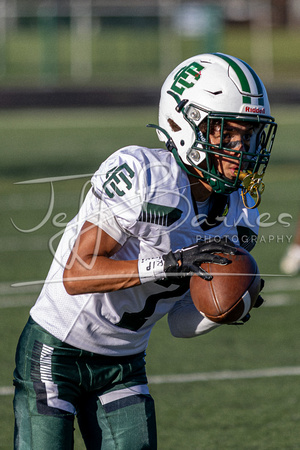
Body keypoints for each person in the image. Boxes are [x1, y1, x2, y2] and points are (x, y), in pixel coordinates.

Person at [13, 53, 277, 449]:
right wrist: (169, 264)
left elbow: (179, 323)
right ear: (184, 125)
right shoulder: (145, 175)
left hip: (125, 363)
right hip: (57, 350)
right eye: (227, 134)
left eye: (249, 135)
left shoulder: (241, 216)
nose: (241, 149)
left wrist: (224, 307)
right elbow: (77, 274)